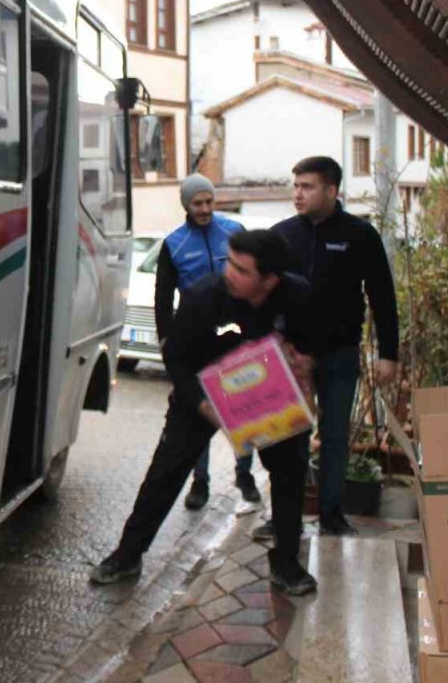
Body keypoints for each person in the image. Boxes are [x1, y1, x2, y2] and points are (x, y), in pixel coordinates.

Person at [90, 230, 319, 595]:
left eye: (242, 269)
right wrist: (203, 406)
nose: (229, 272)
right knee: (167, 470)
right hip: (201, 394)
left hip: (266, 396)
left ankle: (287, 563)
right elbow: (176, 360)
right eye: (229, 262)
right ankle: (128, 553)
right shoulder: (204, 297)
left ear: (270, 280)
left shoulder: (298, 295)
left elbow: (313, 343)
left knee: (290, 472)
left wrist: (306, 362)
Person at [266, 156, 398, 538]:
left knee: (336, 436)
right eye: (295, 186)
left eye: (307, 186)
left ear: (331, 190)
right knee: (287, 438)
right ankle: (284, 516)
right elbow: (265, 295)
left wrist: (388, 353)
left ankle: (331, 514)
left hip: (340, 354)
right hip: (292, 357)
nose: (298, 194)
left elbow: (382, 297)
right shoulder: (282, 235)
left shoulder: (360, 235)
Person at [155, 174, 255, 510]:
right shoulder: (174, 244)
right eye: (198, 203)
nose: (205, 209)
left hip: (237, 333)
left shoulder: (233, 232)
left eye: (209, 202)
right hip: (198, 336)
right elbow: (163, 295)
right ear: (187, 205)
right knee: (201, 410)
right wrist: (167, 338)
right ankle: (200, 482)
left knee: (244, 405)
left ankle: (244, 473)